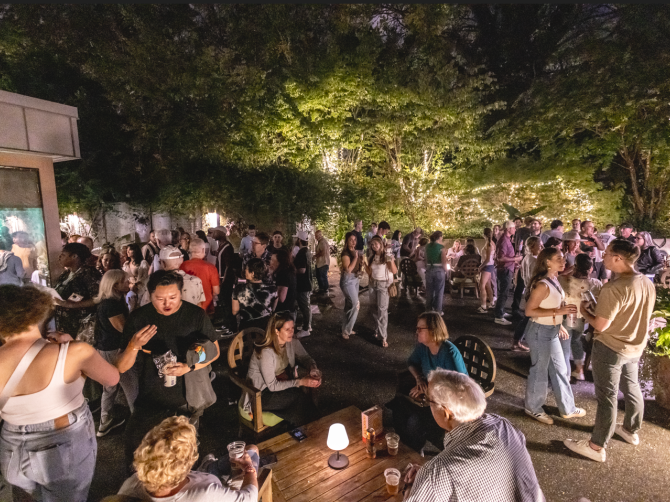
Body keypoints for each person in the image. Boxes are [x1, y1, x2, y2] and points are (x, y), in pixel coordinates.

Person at [0, 285, 120, 502]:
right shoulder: (73, 352)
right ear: (38, 312)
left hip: (11, 444)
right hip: (62, 442)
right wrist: (71, 344)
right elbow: (112, 378)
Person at [564, 240, 656, 462]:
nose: (601, 257)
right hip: (634, 344)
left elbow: (601, 325)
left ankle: (596, 446)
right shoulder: (645, 281)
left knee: (607, 396)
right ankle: (631, 430)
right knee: (632, 388)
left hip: (611, 346)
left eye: (606, 253)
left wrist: (585, 312)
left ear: (618, 258)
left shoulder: (614, 287)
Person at [117, 270, 220, 466]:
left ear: (181, 293)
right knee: (138, 450)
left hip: (187, 398)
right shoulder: (139, 318)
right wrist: (133, 346)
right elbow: (121, 367)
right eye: (160, 298)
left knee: (183, 456)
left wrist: (189, 366)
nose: (167, 303)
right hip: (149, 398)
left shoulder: (195, 315)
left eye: (173, 297)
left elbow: (214, 351)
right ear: (149, 294)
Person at [404, 370, 544, 502]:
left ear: (446, 413)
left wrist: (416, 486)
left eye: (428, 400)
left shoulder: (438, 471)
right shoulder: (504, 426)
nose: (427, 403)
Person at [118, 416, 258, 501]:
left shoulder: (130, 486)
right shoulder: (204, 493)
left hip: (204, 475)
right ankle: (209, 464)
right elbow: (249, 498)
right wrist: (248, 468)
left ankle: (208, 464)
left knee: (221, 464)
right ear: (186, 464)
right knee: (252, 450)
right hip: (224, 489)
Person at [523, 248, 586, 425]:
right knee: (540, 370)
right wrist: (559, 311)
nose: (563, 261)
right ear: (547, 262)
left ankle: (568, 408)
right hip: (539, 331)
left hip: (551, 330)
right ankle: (533, 408)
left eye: (563, 258)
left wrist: (558, 325)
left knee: (561, 369)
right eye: (558, 258)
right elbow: (529, 311)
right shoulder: (543, 284)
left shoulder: (554, 279)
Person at [390, 313, 467, 452]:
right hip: (430, 397)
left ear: (433, 330)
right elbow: (411, 363)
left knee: (414, 422)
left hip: (449, 404)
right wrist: (419, 379)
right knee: (398, 406)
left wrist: (428, 391)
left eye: (420, 329)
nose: (416, 332)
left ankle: (416, 451)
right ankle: (410, 447)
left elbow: (459, 388)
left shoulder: (449, 353)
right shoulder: (423, 347)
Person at [243, 312, 320, 427]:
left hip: (281, 384)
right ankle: (309, 428)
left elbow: (305, 357)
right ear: (277, 331)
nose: (291, 332)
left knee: (303, 399)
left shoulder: (290, 342)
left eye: (292, 328)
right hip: (261, 394)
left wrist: (312, 368)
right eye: (287, 329)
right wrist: (301, 381)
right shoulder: (266, 352)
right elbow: (272, 386)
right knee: (298, 398)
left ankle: (308, 428)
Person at [94, 269, 139, 436]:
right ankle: (138, 422)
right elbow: (124, 329)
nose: (129, 284)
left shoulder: (109, 302)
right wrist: (133, 308)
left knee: (110, 387)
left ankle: (105, 422)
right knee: (130, 385)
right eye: (125, 282)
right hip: (114, 350)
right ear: (115, 285)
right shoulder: (111, 305)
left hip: (105, 348)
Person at [558, 254, 603, 381]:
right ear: (590, 269)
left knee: (564, 346)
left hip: (567, 316)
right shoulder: (596, 284)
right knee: (576, 341)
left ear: (575, 266)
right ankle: (579, 370)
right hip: (583, 319)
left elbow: (559, 277)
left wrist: (570, 269)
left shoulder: (564, 281)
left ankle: (565, 375)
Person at [53, 243, 102, 337]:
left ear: (75, 256)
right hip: (64, 323)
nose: (59, 257)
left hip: (82, 326)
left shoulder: (90, 274)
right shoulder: (65, 274)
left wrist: (73, 305)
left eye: (63, 255)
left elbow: (98, 297)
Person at [365, 235, 397, 348]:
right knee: (374, 308)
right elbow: (369, 272)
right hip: (373, 284)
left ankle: (383, 337)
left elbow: (394, 270)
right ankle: (377, 329)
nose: (374, 246)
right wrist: (364, 264)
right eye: (372, 244)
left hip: (383, 285)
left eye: (376, 244)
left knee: (382, 310)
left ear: (381, 244)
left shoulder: (386, 257)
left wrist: (391, 260)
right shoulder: (372, 257)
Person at [512, 236, 542, 352]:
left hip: (529, 289)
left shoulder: (526, 258)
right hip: (535, 291)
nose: (541, 246)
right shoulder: (535, 261)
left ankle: (517, 341)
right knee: (529, 318)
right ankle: (517, 341)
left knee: (528, 318)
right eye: (539, 244)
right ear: (532, 246)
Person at [232, 258, 278, 330]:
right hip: (266, 327)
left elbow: (234, 311)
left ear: (252, 273)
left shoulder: (239, 289)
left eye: (246, 269)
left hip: (246, 328)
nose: (245, 271)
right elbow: (273, 308)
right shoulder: (272, 289)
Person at [180, 238, 220, 315]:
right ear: (203, 250)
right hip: (205, 305)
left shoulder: (182, 265)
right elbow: (216, 291)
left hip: (187, 304)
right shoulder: (211, 267)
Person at [494, 221, 522, 326]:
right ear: (508, 229)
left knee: (504, 292)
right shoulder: (504, 241)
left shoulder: (506, 240)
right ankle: (498, 316)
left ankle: (500, 311)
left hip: (507, 268)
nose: (515, 229)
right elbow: (501, 258)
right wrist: (516, 259)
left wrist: (513, 262)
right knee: (504, 293)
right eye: (514, 227)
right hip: (505, 270)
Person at [211, 226, 235, 323]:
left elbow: (229, 266)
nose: (213, 234)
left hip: (226, 279)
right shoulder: (221, 245)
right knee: (222, 302)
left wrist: (224, 280)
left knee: (226, 302)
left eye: (215, 232)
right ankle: (225, 323)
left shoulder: (227, 247)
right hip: (220, 278)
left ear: (220, 233)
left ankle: (230, 324)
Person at [340, 231, 362, 339]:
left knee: (349, 305)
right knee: (355, 304)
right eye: (350, 240)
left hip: (355, 279)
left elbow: (356, 267)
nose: (353, 242)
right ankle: (347, 330)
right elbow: (348, 269)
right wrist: (356, 258)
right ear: (347, 241)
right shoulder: (346, 253)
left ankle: (346, 328)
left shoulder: (355, 251)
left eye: (355, 240)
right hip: (348, 280)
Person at [293, 231, 313, 338]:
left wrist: (292, 270)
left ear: (299, 240)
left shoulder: (301, 253)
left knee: (305, 306)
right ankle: (307, 325)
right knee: (307, 306)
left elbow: (302, 270)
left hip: (303, 284)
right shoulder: (307, 251)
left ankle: (306, 329)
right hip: (308, 283)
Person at [424, 231, 449, 314]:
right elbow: (444, 261)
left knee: (429, 291)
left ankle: (428, 309)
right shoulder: (441, 247)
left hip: (429, 269)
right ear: (440, 237)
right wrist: (446, 271)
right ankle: (438, 310)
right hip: (439, 270)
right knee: (439, 291)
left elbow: (426, 259)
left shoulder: (427, 247)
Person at [271, 248, 297, 318]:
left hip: (284, 313)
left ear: (280, 261)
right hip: (289, 310)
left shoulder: (283, 274)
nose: (270, 262)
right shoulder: (287, 270)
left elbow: (281, 298)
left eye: (273, 260)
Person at [123, 243, 151, 308]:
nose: (128, 251)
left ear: (135, 251)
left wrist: (135, 285)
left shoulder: (143, 263)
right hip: (128, 289)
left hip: (140, 290)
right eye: (127, 250)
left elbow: (145, 278)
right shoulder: (126, 264)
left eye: (130, 250)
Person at [478, 228, 496, 313]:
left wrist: (480, 266)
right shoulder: (492, 243)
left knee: (481, 285)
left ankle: (483, 306)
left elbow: (487, 259)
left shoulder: (488, 245)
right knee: (488, 285)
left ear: (484, 235)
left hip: (487, 266)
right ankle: (491, 302)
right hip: (490, 265)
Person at [313, 229, 330, 294]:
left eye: (318, 235)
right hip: (320, 263)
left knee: (322, 277)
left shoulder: (323, 242)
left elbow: (323, 252)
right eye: (316, 236)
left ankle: (324, 290)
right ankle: (322, 289)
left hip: (323, 263)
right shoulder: (320, 242)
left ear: (320, 235)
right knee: (319, 276)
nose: (317, 237)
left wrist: (315, 256)